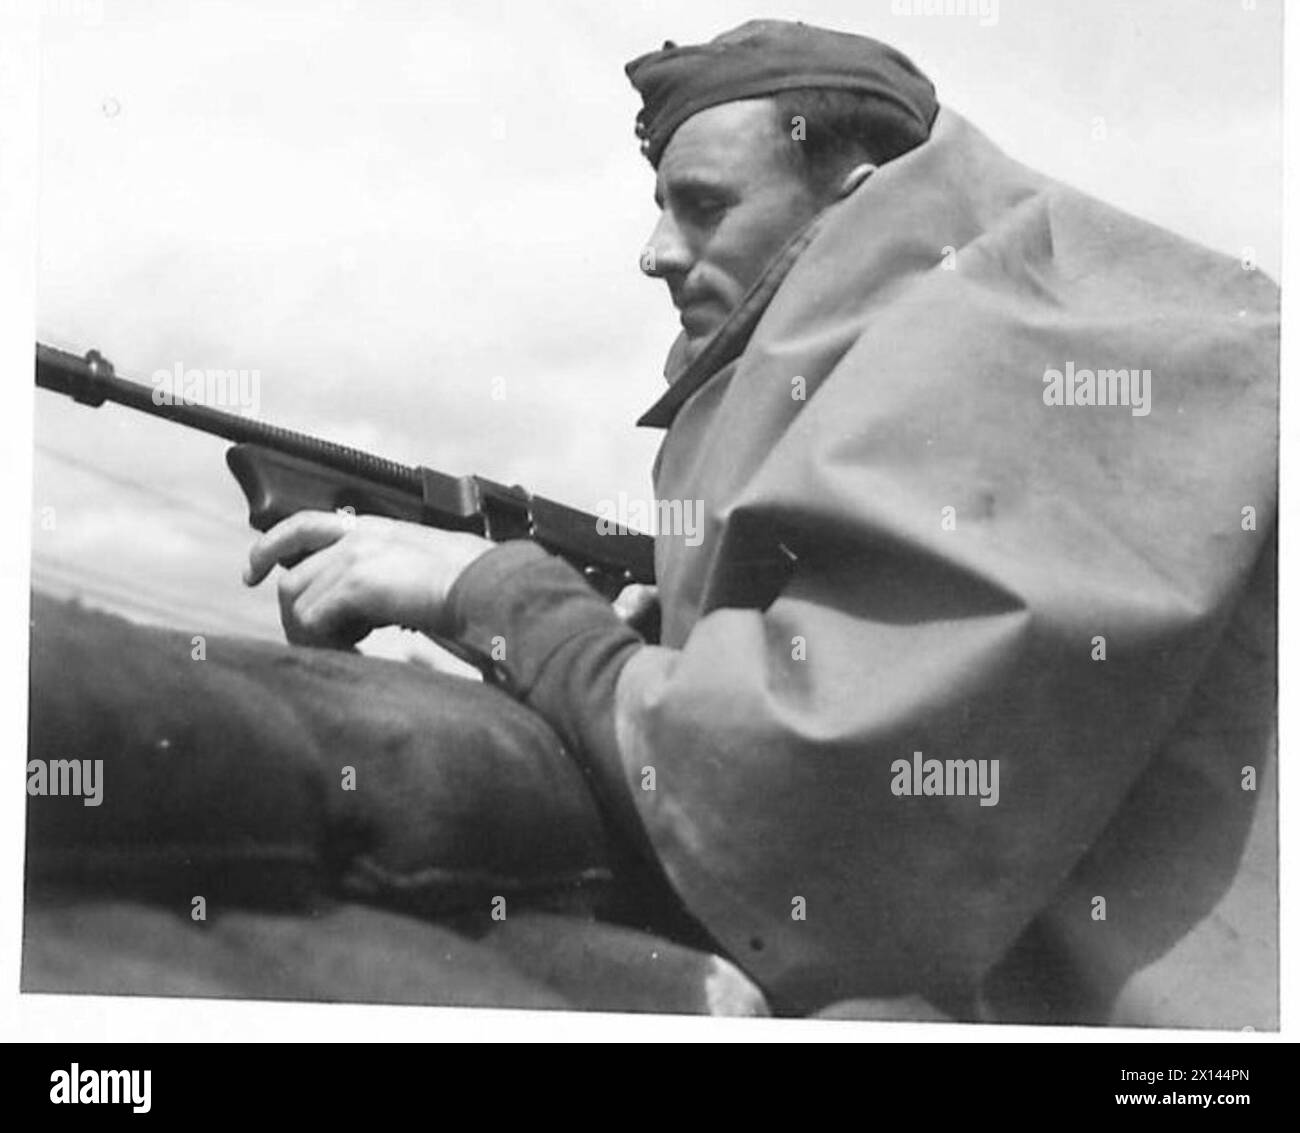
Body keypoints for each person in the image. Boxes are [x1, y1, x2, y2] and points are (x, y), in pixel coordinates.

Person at [35, 20, 1279, 1024]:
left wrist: (502, 595)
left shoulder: (1007, 364)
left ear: (848, 194)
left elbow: (818, 798)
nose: (650, 250)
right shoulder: (1004, 341)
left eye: (699, 205)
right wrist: (648, 639)